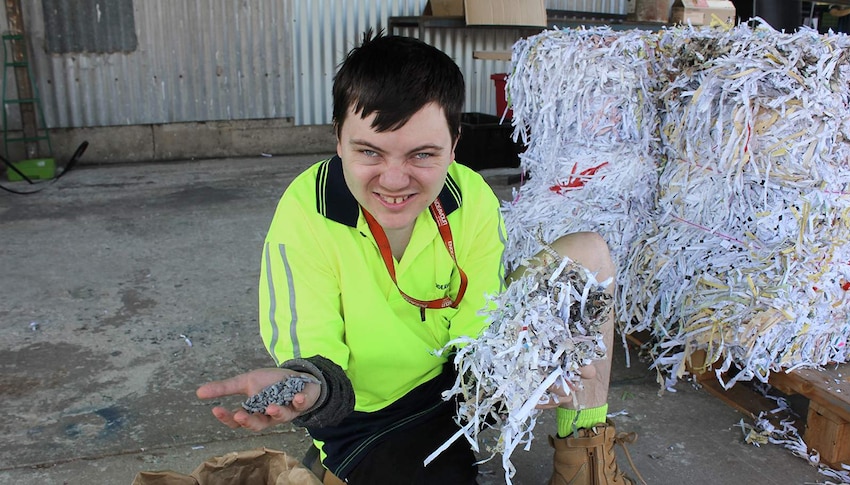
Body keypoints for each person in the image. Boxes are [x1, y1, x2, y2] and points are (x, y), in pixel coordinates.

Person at [196, 32, 634, 485]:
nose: (394, 180)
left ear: (454, 144)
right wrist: (307, 385)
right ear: (339, 139)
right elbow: (316, 354)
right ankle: (339, 466)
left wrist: (517, 373)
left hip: (458, 383)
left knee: (587, 257)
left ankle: (583, 462)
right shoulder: (306, 212)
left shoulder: (471, 197)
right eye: (370, 151)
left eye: (422, 154)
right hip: (367, 414)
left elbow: (480, 321)